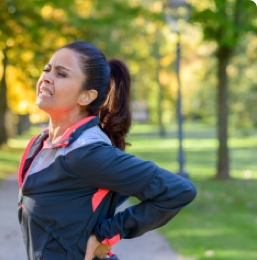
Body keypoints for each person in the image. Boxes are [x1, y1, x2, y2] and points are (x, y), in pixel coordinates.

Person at [17, 41, 196, 260]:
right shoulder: (43, 144)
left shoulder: (85, 153)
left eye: (61, 74)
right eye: (47, 69)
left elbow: (177, 190)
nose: (46, 77)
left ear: (86, 96)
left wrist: (107, 234)